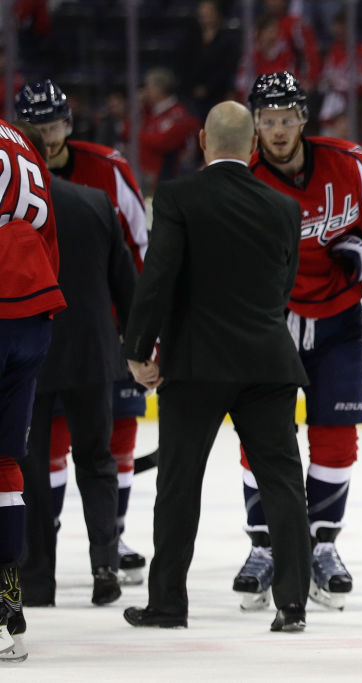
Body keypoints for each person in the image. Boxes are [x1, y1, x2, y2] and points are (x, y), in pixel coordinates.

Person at [120, 101, 310, 632]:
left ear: (202, 140)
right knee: (282, 484)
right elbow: (282, 286)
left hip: (196, 364)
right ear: (253, 146)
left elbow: (157, 279)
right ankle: (292, 604)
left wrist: (139, 350)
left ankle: (167, 604)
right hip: (268, 362)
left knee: (179, 484)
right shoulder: (284, 208)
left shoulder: (179, 196)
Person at [232, 72, 362, 612]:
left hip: (336, 323)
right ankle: (264, 546)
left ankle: (323, 544)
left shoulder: (347, 162)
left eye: (287, 119)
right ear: (255, 124)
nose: (278, 130)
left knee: (335, 436)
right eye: (268, 120)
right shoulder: (245, 175)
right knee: (263, 434)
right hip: (270, 324)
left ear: (304, 119)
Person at [14, 78, 151, 584]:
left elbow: (140, 252)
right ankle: (83, 554)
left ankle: (97, 542)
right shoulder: (68, 191)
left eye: (53, 125)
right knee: (67, 453)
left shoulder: (108, 171)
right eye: (39, 128)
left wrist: (142, 337)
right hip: (88, 346)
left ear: (68, 124)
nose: (48, 138)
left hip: (84, 341)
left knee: (112, 439)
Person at [0, 116, 65, 664]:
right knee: (4, 460)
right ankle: (6, 602)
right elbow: (49, 239)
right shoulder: (21, 140)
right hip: (33, 310)